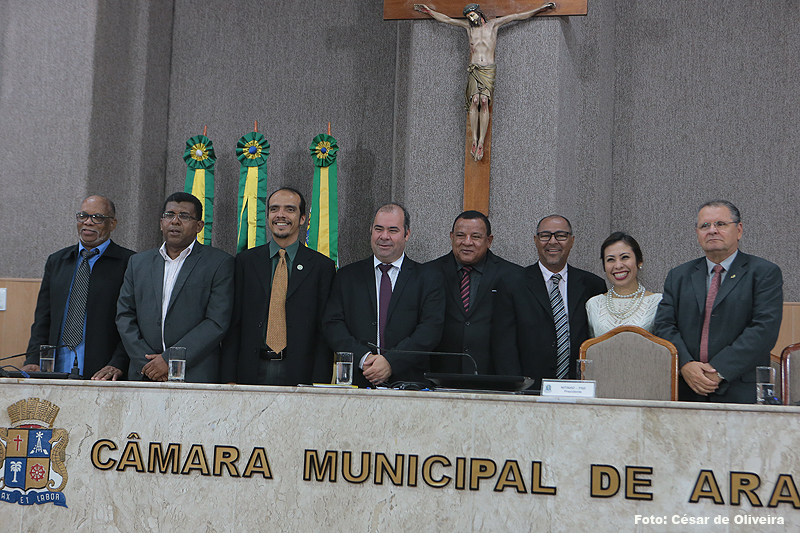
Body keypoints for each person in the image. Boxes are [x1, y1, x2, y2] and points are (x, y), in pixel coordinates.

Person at [654, 200, 783, 403]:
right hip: (687, 388)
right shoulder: (678, 276)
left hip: (741, 390)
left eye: (721, 224)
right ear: (697, 233)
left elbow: (763, 330)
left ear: (739, 230)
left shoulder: (764, 273)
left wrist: (718, 370)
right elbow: (663, 326)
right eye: (705, 226)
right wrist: (686, 365)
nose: (712, 230)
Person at [221, 188, 336, 385]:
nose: (280, 215)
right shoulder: (245, 262)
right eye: (274, 209)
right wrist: (228, 377)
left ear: (302, 219)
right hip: (250, 370)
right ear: (267, 217)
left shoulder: (321, 267)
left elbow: (323, 331)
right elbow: (234, 325)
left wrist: (319, 382)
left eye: (289, 209)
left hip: (300, 372)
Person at [322, 203, 445, 387]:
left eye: (393, 230)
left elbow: (430, 331)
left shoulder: (428, 278)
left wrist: (391, 362)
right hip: (359, 383)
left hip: (410, 386)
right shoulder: (347, 277)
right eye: (378, 229)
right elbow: (332, 325)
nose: (384, 236)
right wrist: (364, 359)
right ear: (371, 231)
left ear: (407, 234)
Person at [116, 192, 234, 383]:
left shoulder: (219, 263)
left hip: (195, 374)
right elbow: (124, 315)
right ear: (161, 222)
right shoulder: (138, 263)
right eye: (170, 215)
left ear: (199, 226)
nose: (175, 221)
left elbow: (216, 322)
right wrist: (149, 364)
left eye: (184, 216)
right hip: (144, 373)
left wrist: (170, 360)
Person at [414, 2, 555, 161]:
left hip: (487, 69)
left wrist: (540, 8)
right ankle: (474, 139)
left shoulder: (494, 25)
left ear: (479, 13)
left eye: (472, 14)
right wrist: (428, 11)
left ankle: (481, 141)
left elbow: (517, 16)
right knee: (474, 101)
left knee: (484, 101)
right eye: (468, 17)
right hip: (474, 68)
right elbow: (447, 20)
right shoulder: (469, 28)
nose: (471, 18)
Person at [23, 195, 135, 380]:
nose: (88, 222)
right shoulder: (57, 261)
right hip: (54, 371)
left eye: (97, 217)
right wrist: (34, 358)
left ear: (112, 224)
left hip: (103, 373)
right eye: (83, 216)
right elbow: (43, 317)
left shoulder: (130, 263)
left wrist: (119, 362)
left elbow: (134, 321)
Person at [492, 215, 606, 384]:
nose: (553, 242)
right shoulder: (512, 285)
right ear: (536, 240)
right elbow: (503, 346)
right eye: (545, 235)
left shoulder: (593, 285)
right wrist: (516, 389)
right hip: (529, 392)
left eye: (561, 235)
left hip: (579, 390)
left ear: (572, 241)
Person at [426, 210, 522, 374]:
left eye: (476, 237)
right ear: (451, 237)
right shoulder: (429, 273)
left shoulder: (513, 275)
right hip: (440, 375)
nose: (467, 242)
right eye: (460, 236)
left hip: (494, 376)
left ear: (489, 240)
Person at [586, 232, 662, 337]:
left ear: (639, 261)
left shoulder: (658, 302)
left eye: (625, 257)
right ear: (604, 266)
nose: (618, 265)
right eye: (610, 260)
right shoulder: (594, 304)